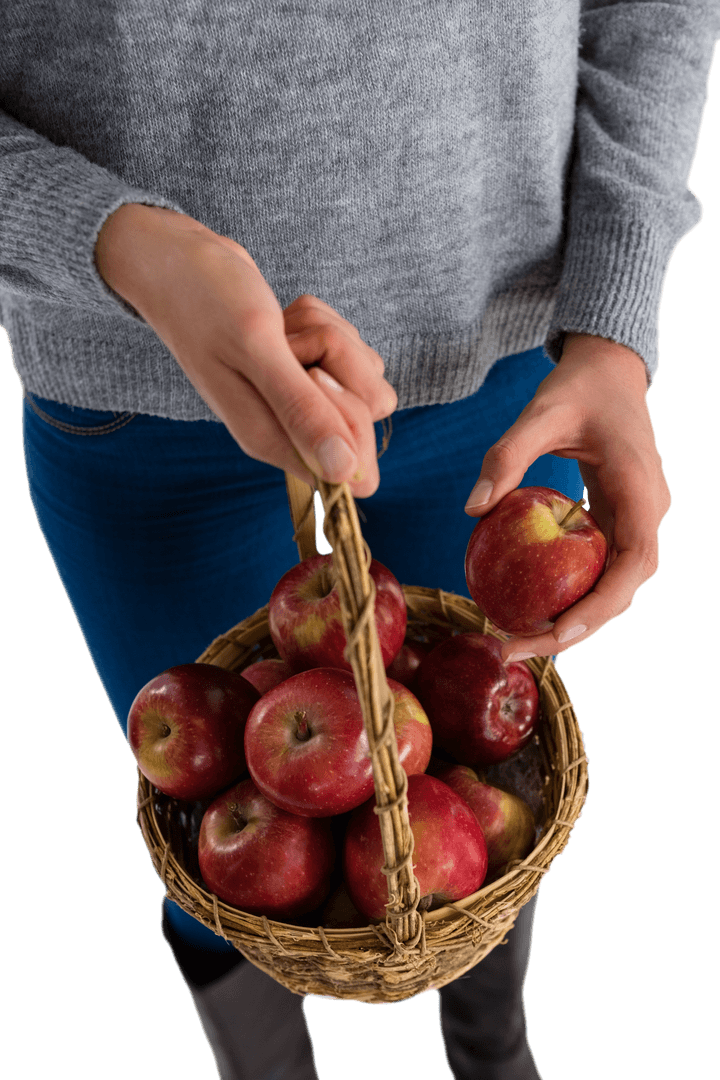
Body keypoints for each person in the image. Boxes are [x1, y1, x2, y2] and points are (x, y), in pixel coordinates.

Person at [2, 3, 717, 1078]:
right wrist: (118, 242)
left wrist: (614, 326)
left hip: (507, 379)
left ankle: (494, 1049)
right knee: (213, 845)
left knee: (481, 806)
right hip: (143, 408)